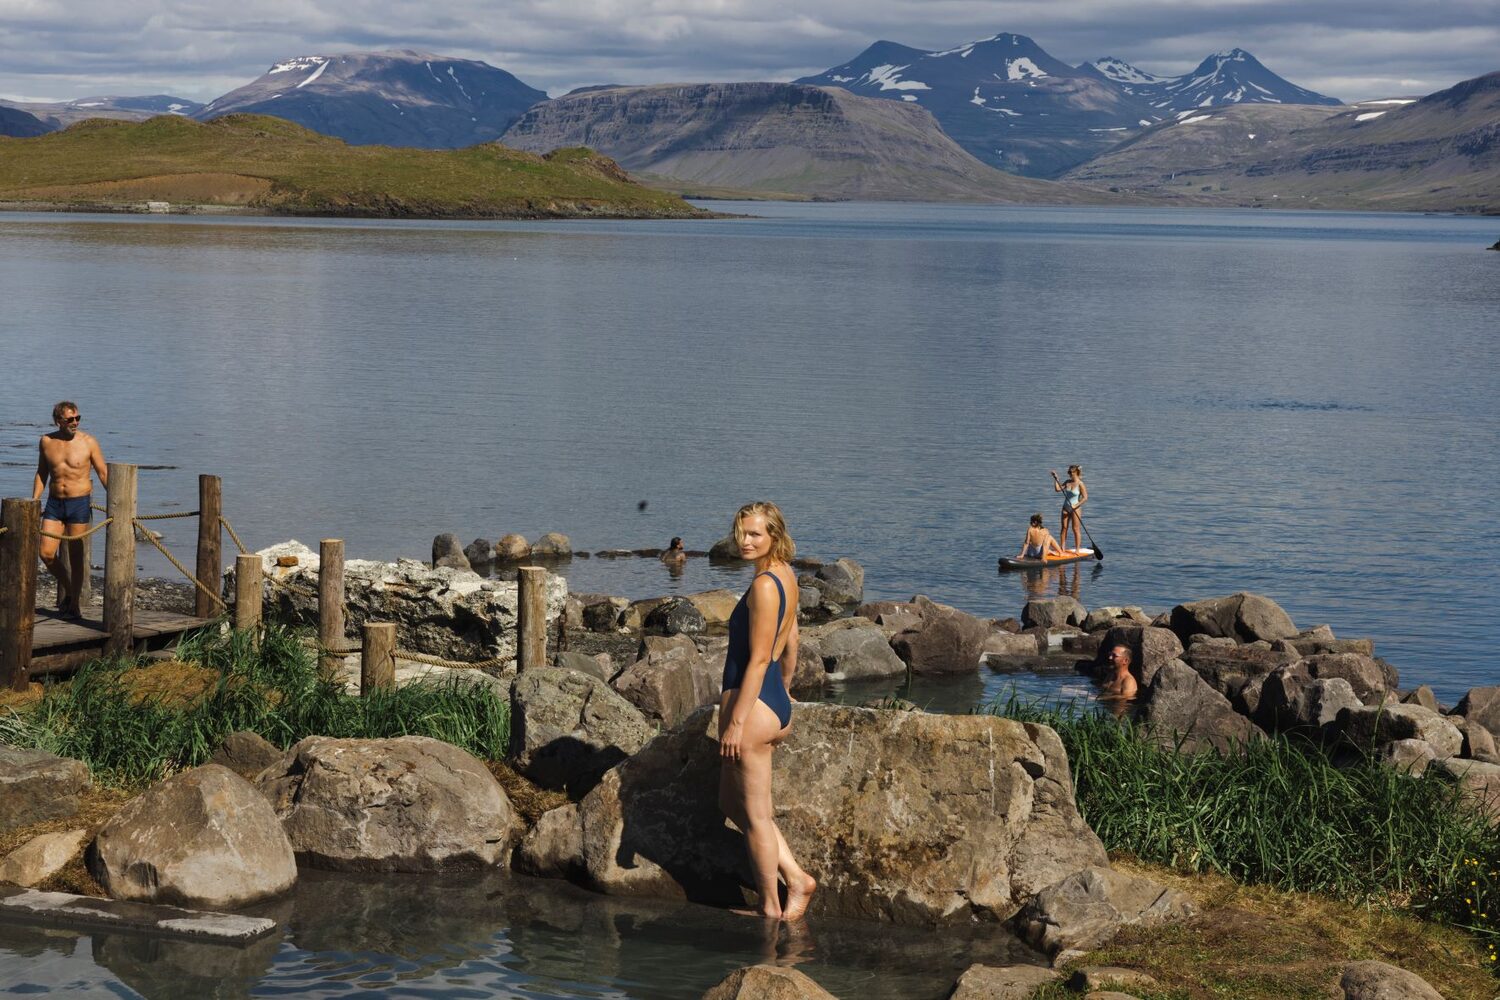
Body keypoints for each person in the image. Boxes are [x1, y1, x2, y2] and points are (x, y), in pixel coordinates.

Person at [718, 501, 816, 921]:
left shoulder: (762, 586)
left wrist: (737, 723)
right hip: (771, 703)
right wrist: (786, 690)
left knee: (757, 818)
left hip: (753, 711)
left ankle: (772, 907)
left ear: (774, 535)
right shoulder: (783, 575)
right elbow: (791, 638)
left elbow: (758, 659)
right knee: (729, 801)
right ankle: (796, 875)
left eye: (755, 534)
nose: (745, 541)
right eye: (741, 532)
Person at [33, 401, 107, 618]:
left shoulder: (88, 442)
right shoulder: (47, 441)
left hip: (79, 503)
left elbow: (103, 472)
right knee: (45, 553)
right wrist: (35, 500)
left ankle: (74, 603)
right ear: (58, 421)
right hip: (55, 503)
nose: (75, 423)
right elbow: (41, 473)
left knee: (76, 556)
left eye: (78, 418)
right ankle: (68, 588)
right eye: (70, 419)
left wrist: (117, 502)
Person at [1050, 465, 1088, 553]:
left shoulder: (1080, 484)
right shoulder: (1067, 482)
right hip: (1065, 507)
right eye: (1069, 472)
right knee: (1064, 528)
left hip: (1076, 508)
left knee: (1075, 529)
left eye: (1071, 472)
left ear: (1076, 472)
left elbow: (1085, 497)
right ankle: (1062, 548)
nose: (1069, 474)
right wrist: (1056, 479)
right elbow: (1057, 489)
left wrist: (1076, 505)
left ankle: (1077, 550)